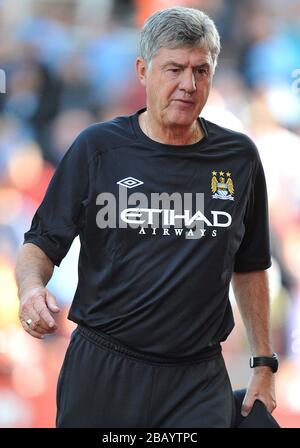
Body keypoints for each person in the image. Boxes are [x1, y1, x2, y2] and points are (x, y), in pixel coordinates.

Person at [15, 6, 278, 428]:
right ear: (143, 70)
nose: (188, 85)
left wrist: (263, 363)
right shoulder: (97, 148)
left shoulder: (239, 157)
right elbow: (41, 242)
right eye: (174, 69)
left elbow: (250, 266)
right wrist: (30, 289)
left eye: (201, 71)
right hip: (105, 367)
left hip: (197, 376)